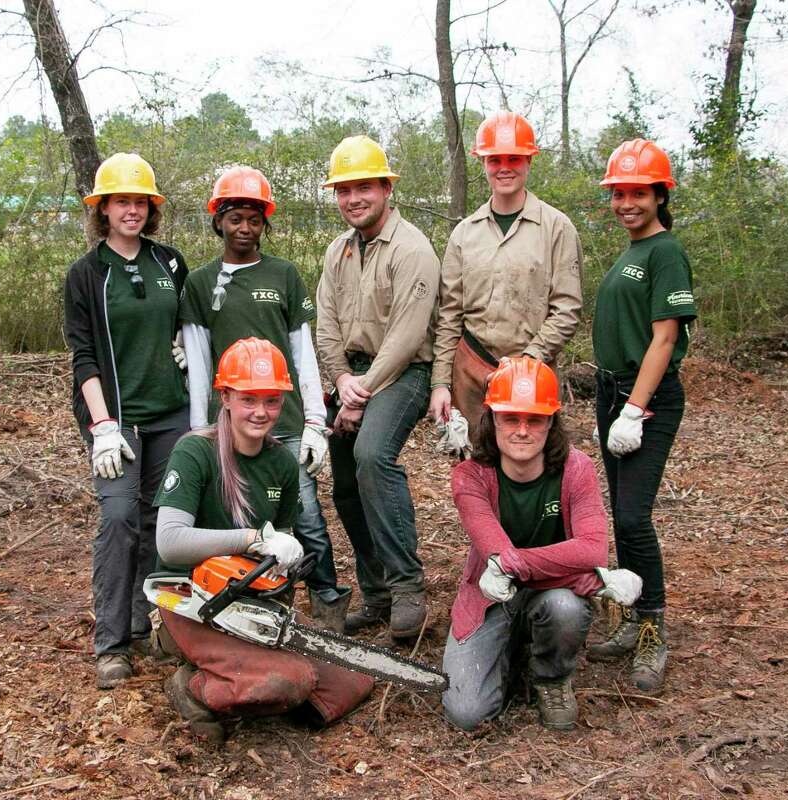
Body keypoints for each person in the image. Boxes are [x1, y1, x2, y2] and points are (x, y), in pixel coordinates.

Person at [153, 338, 374, 744]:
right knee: (291, 680)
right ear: (227, 397)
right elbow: (170, 542)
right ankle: (192, 687)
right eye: (249, 399)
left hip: (251, 603)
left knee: (353, 679)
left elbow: (282, 542)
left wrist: (286, 557)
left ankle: (255, 685)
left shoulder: (281, 464)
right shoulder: (195, 451)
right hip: (190, 602)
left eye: (271, 401)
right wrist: (253, 539)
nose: (261, 412)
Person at [179, 166, 350, 632]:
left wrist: (316, 419)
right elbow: (197, 358)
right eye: (235, 218)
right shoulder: (199, 284)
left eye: (254, 219)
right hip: (230, 420)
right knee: (234, 512)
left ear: (264, 223)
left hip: (285, 417)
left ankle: (327, 599)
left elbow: (302, 351)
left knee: (306, 514)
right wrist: (200, 425)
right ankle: (244, 597)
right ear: (219, 221)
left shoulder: (284, 274)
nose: (245, 228)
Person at [441, 356, 642, 731]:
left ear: (551, 422)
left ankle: (552, 676)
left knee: (565, 608)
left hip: (551, 596)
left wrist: (577, 570)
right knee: (467, 713)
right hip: (490, 598)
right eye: (510, 418)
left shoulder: (576, 469)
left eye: (534, 419)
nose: (522, 430)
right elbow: (499, 558)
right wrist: (589, 579)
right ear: (493, 419)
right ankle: (511, 652)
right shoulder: (470, 478)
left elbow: (592, 549)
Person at [63, 152, 190, 689]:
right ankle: (112, 642)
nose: (131, 210)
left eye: (140, 201)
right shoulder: (86, 274)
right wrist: (103, 427)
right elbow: (83, 354)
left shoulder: (170, 263)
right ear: (104, 209)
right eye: (121, 202)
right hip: (117, 418)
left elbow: (186, 323)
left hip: (171, 413)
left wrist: (185, 346)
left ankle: (156, 624)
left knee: (164, 523)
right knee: (118, 519)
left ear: (150, 208)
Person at [315, 135, 441, 641]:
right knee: (344, 481)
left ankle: (408, 586)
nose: (353, 199)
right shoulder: (338, 251)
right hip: (353, 377)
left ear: (386, 188)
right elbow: (325, 323)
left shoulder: (412, 249)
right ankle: (378, 593)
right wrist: (342, 380)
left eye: (363, 187)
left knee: (372, 455)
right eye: (344, 190)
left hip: (404, 372)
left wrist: (360, 393)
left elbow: (408, 337)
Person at [586, 140, 697, 695]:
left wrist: (634, 409)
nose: (627, 202)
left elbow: (665, 336)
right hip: (612, 394)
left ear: (660, 194)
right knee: (621, 515)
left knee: (633, 517)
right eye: (620, 193)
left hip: (644, 399)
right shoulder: (632, 250)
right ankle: (632, 616)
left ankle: (653, 626)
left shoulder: (664, 252)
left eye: (638, 192)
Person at [429, 111, 583, 449]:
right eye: (495, 159)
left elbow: (567, 308)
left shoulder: (557, 228)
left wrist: (527, 363)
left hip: (534, 374)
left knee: (535, 469)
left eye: (514, 158)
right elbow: (449, 314)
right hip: (471, 371)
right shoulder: (464, 234)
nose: (504, 167)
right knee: (477, 470)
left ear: (529, 160)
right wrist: (440, 383)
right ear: (483, 162)